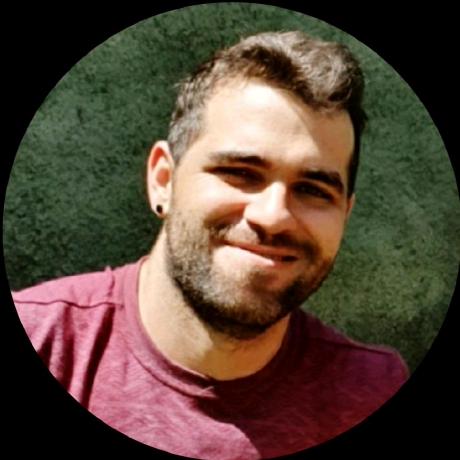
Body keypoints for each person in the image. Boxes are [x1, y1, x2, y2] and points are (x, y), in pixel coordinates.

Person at [12, 31, 408, 459]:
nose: (273, 216)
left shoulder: (370, 392)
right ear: (163, 180)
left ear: (345, 214)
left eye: (313, 190)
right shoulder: (43, 341)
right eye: (240, 173)